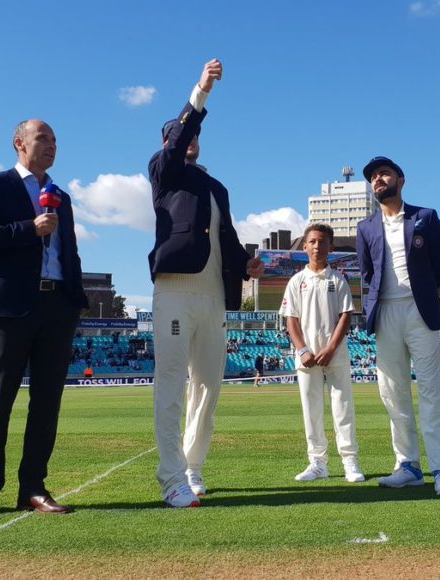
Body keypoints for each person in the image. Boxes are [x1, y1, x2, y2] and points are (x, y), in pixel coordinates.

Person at [0, 119, 89, 520]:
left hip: (57, 309)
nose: (51, 144)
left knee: (47, 404)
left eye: (54, 139)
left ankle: (33, 487)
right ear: (19, 143)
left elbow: (68, 252)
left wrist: (76, 300)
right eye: (42, 138)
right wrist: (27, 229)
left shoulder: (60, 196)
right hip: (11, 309)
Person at [148, 59, 264, 508]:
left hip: (214, 293)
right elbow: (178, 138)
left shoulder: (216, 187)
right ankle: (170, 476)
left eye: (196, 134)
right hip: (175, 288)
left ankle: (192, 467)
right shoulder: (164, 170)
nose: (191, 139)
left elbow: (227, 237)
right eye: (183, 134)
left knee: (208, 387)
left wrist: (244, 266)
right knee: (173, 382)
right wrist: (200, 92)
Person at [355, 156, 440, 497]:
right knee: (392, 393)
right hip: (385, 313)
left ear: (401, 179)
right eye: (373, 177)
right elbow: (367, 273)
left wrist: (423, 293)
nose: (377, 180)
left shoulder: (425, 217)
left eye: (384, 174)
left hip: (420, 311)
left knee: (430, 391)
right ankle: (409, 466)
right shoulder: (366, 226)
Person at [280, 223, 364, 483]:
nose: (317, 246)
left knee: (343, 408)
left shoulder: (338, 280)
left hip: (335, 354)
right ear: (305, 246)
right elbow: (290, 319)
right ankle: (317, 463)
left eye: (322, 242)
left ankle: (350, 462)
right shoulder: (297, 281)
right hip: (306, 357)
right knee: (311, 409)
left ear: (331, 247)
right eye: (313, 242)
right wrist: (303, 349)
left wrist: (330, 348)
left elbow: (345, 317)